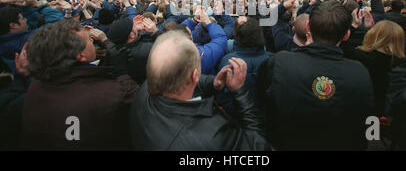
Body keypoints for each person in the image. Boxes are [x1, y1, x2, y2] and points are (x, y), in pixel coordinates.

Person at [257, 0, 375, 150]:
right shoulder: (360, 73)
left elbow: (262, 104)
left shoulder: (279, 62)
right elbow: (369, 125)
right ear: (346, 35)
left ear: (308, 28)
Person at [130, 30, 272, 150]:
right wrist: (239, 91)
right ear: (195, 75)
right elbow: (258, 146)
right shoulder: (212, 137)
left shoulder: (145, 89)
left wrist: (213, 83)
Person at [21, 19, 139, 150]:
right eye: (89, 40)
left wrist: (106, 64)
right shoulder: (108, 95)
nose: (92, 42)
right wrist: (122, 73)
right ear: (81, 55)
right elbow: (138, 102)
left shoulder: (35, 86)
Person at [344, 20, 406, 117]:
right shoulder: (403, 64)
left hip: (355, 107)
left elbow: (341, 44)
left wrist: (354, 26)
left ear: (372, 34)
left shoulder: (358, 56)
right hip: (382, 111)